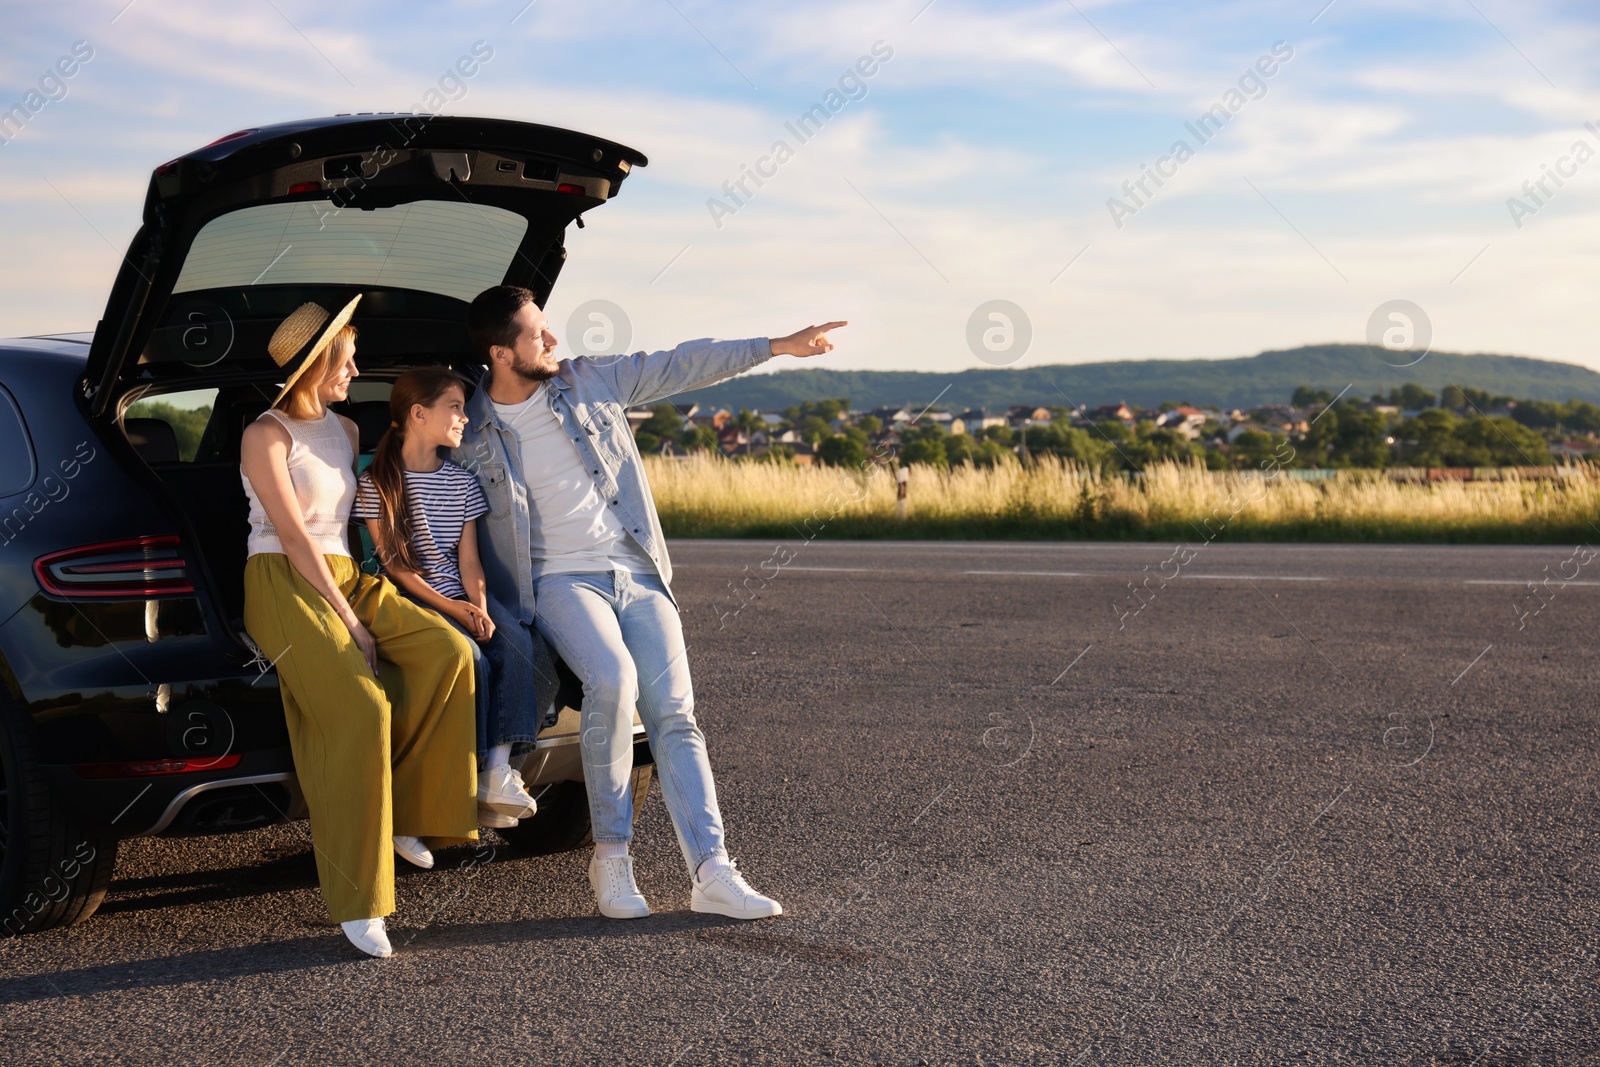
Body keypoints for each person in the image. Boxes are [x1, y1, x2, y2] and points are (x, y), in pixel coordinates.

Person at [454, 284, 846, 921]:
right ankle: (612, 859)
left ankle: (713, 871)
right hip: (559, 581)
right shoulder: (469, 429)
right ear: (501, 353)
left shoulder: (590, 381)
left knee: (674, 711)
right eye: (537, 334)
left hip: (636, 570)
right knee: (613, 680)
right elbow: (419, 483)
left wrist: (775, 347)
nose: (553, 339)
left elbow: (682, 360)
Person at [240, 297, 479, 959]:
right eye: (347, 360)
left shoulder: (344, 432)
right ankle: (360, 900)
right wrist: (350, 622)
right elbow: (292, 535)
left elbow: (365, 515)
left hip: (344, 571)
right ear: (317, 365)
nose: (357, 370)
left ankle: (408, 816)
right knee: (361, 708)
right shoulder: (266, 435)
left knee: (447, 650)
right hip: (283, 579)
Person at [351, 367, 559, 831]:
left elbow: (469, 563)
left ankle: (499, 770)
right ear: (419, 414)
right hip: (414, 599)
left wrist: (480, 609)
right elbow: (394, 566)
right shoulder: (378, 482)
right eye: (456, 407)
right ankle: (471, 772)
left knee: (522, 647)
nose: (465, 417)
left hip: (463, 595)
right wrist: (452, 609)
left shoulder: (462, 483)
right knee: (474, 660)